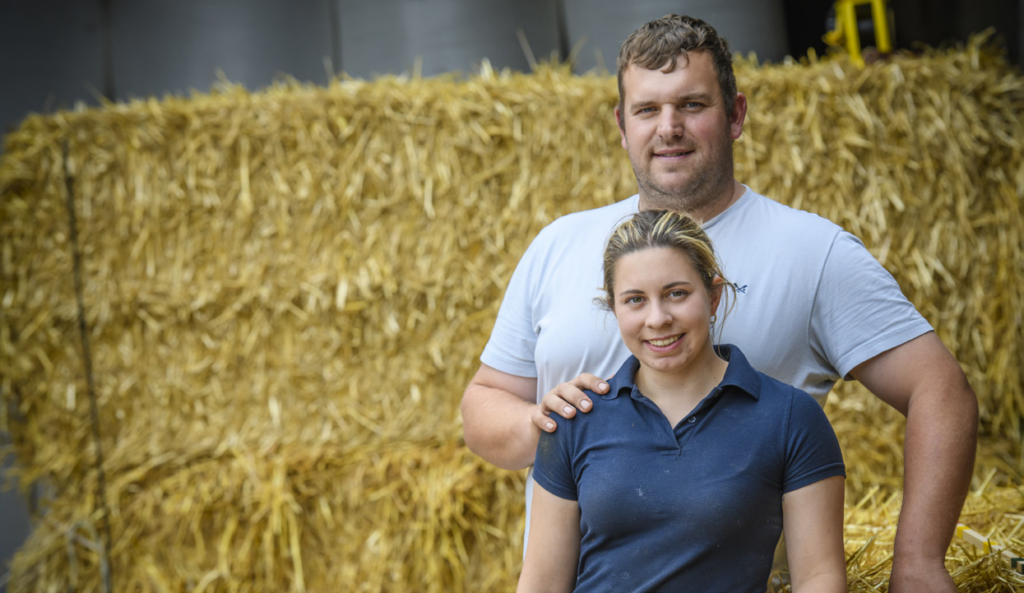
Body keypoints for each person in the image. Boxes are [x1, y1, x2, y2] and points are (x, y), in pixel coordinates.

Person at [461, 14, 978, 592]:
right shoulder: (559, 244)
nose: (669, 127)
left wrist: (918, 562)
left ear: (735, 115)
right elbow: (484, 403)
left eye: (692, 105)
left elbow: (941, 390)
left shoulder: (812, 252)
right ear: (621, 125)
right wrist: (545, 428)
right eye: (647, 109)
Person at [516, 209, 847, 592]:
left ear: (714, 296)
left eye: (676, 294)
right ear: (614, 309)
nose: (657, 319)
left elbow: (819, 578)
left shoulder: (790, 418)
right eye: (635, 300)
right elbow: (541, 582)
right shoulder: (576, 418)